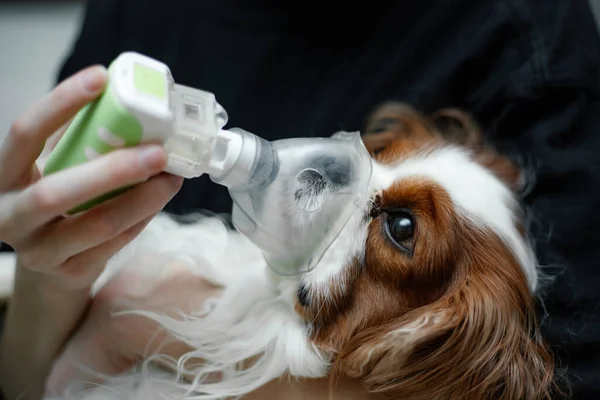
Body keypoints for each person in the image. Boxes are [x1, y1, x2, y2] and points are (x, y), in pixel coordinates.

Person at [1, 0, 600, 398]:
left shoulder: (525, 33)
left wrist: (143, 326)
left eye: (401, 229)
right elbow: (26, 380)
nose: (345, 182)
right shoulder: (139, 12)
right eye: (379, 154)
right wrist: (49, 278)